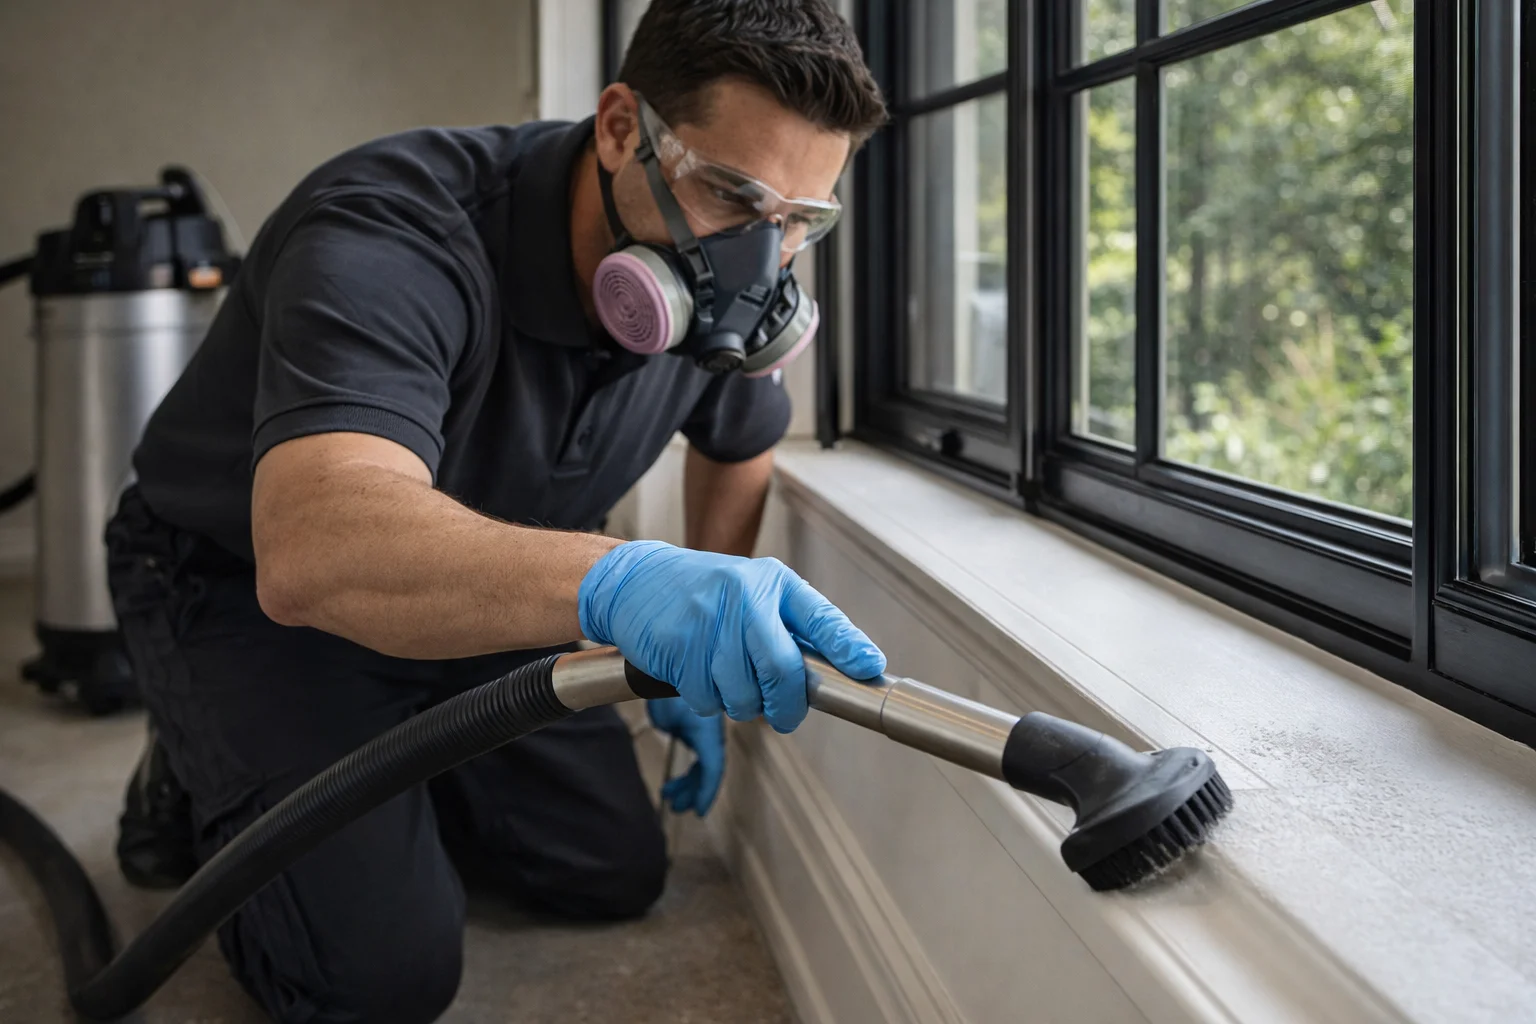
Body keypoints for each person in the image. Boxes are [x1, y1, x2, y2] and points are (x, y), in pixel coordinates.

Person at [103, 1, 889, 1020]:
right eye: (733, 198)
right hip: (244, 591)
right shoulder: (391, 232)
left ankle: (365, 774)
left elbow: (739, 445)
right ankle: (199, 748)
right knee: (378, 979)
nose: (763, 262)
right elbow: (316, 546)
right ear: (620, 129)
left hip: (479, 601)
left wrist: (698, 637)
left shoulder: (727, 309)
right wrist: (623, 581)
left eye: (800, 221)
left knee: (611, 872)